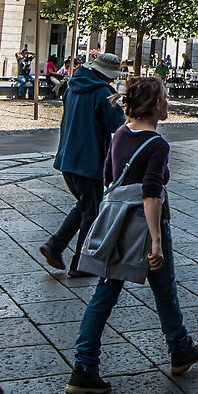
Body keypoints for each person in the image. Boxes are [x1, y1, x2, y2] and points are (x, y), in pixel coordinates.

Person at [65, 76, 198, 394]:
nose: (168, 102)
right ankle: (179, 349)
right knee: (164, 289)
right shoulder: (157, 144)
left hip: (117, 221)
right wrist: (156, 240)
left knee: (105, 293)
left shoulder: (120, 133)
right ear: (155, 105)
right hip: (147, 225)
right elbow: (152, 193)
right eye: (165, 98)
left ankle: (85, 366)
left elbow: (109, 175)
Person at [43, 52, 128, 272]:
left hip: (67, 158)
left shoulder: (73, 86)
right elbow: (116, 126)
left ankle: (56, 245)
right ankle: (80, 263)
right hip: (88, 161)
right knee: (92, 211)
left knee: (86, 204)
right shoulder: (103, 93)